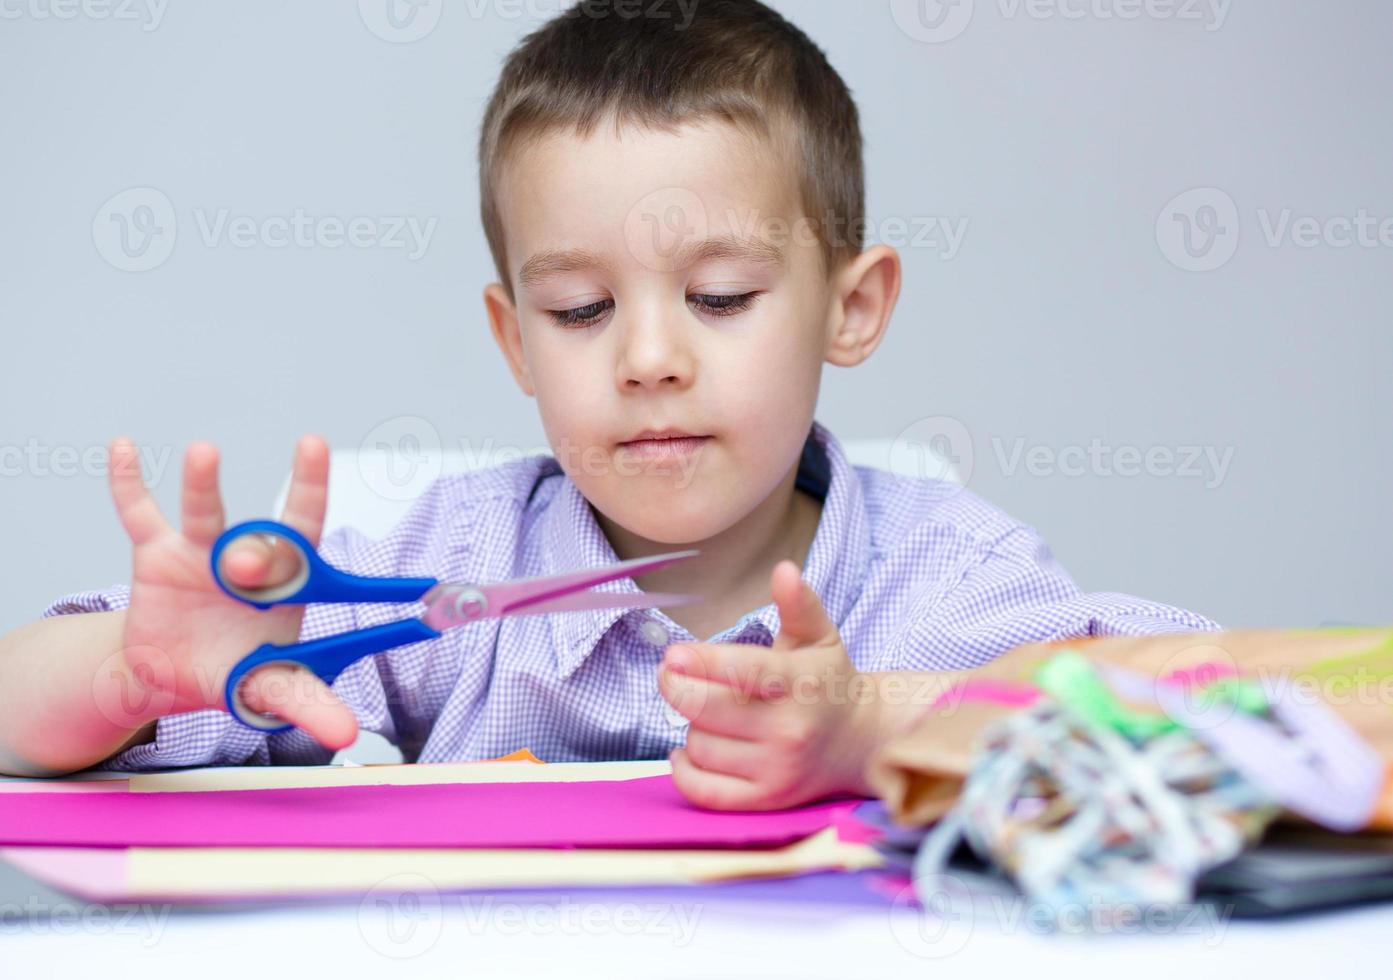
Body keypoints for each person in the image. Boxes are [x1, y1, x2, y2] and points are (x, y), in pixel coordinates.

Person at [0, 0, 1215, 808]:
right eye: (580, 310)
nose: (646, 358)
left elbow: (1283, 714)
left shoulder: (947, 579)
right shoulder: (454, 565)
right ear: (513, 338)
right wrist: (135, 674)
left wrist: (872, 730)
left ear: (852, 306)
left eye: (722, 295)